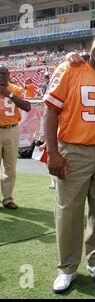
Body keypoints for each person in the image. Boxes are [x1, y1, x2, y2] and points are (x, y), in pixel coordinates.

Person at [43, 32, 95, 293]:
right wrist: (54, 153)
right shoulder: (70, 68)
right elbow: (51, 111)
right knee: (69, 211)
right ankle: (67, 268)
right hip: (75, 150)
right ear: (90, 46)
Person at [0, 65, 31, 210]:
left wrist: (8, 94)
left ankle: (7, 199)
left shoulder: (16, 89)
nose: (1, 76)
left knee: (10, 167)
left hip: (12, 129)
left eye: (3, 73)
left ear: (9, 74)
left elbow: (27, 107)